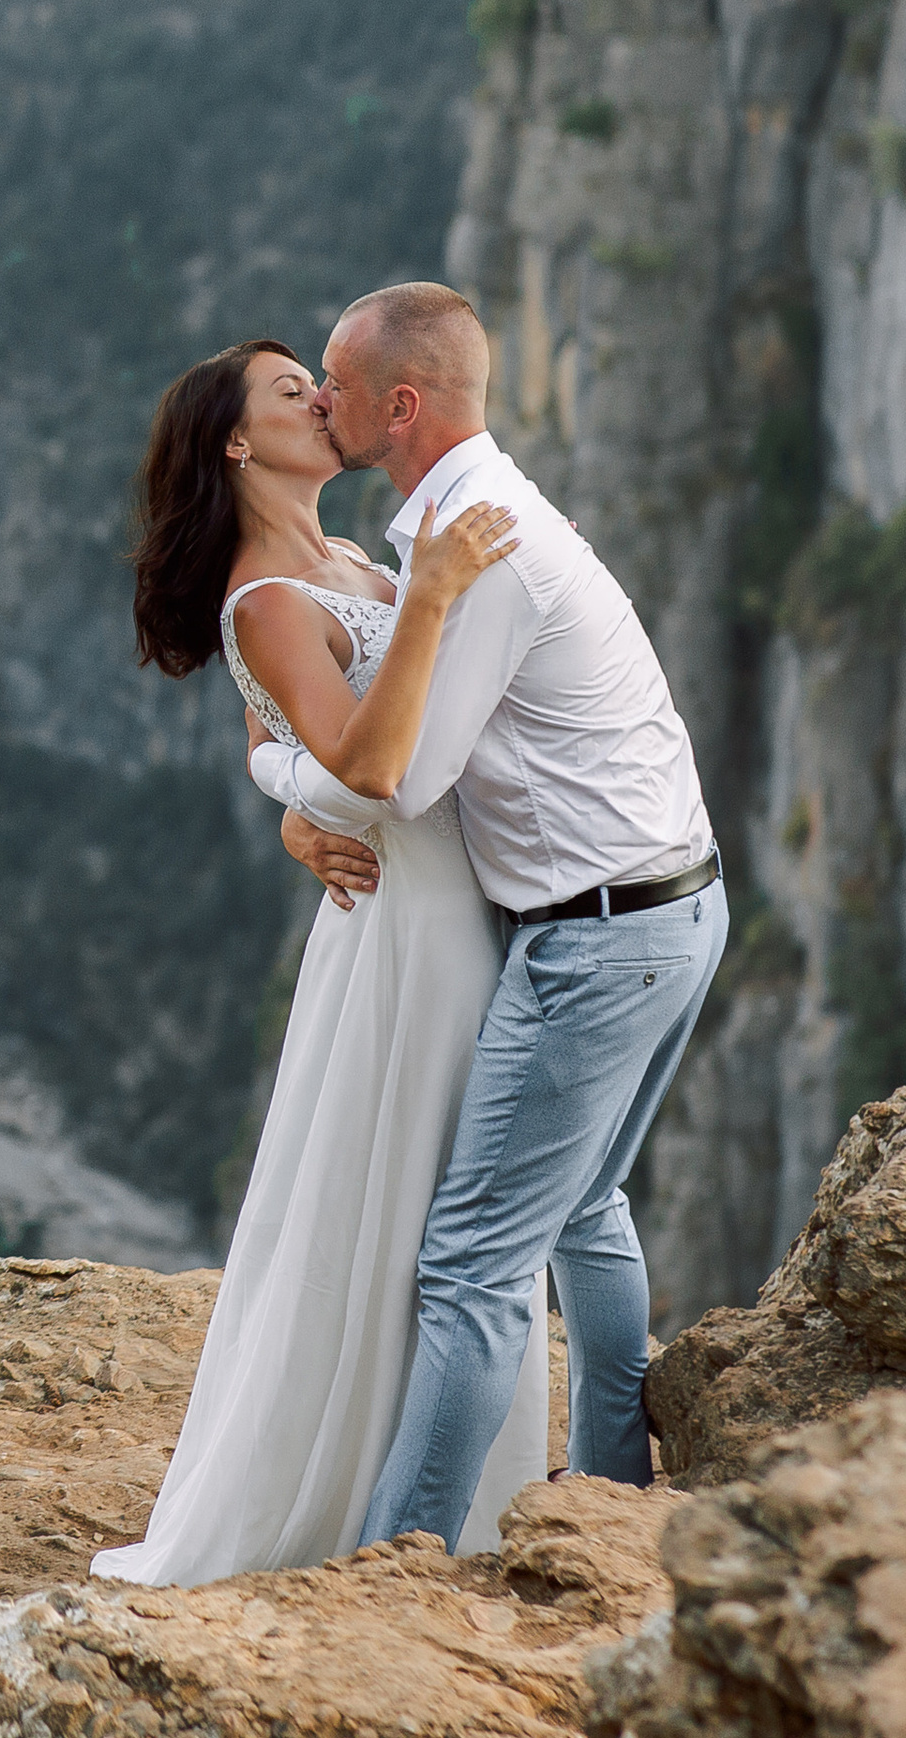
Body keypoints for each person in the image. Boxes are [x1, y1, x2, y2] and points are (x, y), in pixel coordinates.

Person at [251, 283, 723, 1547]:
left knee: (468, 1263)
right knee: (582, 1205)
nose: (319, 398)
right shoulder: (466, 522)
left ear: (398, 406)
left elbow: (402, 777)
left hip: (597, 937)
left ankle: (398, 1553)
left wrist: (289, 787)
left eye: (336, 385)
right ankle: (616, 1491)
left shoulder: (481, 552)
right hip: (668, 905)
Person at [94, 332, 544, 1585]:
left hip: (456, 884)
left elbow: (269, 735)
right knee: (417, 1178)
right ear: (239, 442)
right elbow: (364, 758)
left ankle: (460, 1481)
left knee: (451, 1170)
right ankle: (392, 1499)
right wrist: (436, 606)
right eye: (293, 390)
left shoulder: (344, 558)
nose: (321, 398)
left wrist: (292, 800)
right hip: (409, 912)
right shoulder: (268, 594)